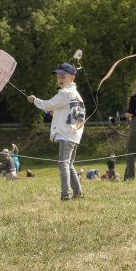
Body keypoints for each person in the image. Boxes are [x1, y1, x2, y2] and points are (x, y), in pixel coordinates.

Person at [27, 63, 85, 201]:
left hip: (67, 135)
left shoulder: (65, 93)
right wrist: (58, 113)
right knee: (69, 164)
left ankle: (66, 194)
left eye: (63, 76)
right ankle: (78, 193)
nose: (59, 79)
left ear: (72, 77)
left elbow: (46, 104)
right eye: (58, 76)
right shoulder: (76, 95)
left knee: (63, 164)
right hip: (74, 135)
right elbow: (72, 114)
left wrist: (34, 100)